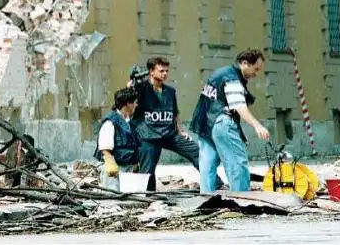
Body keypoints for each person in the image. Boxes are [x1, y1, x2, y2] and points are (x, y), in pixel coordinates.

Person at [128, 57, 221, 192]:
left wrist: (180, 130)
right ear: (151, 72)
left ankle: (216, 184)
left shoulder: (170, 91)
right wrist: (130, 88)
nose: (165, 74)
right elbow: (128, 104)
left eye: (166, 71)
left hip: (169, 133)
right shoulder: (140, 89)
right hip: (148, 135)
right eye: (161, 71)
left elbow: (175, 112)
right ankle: (148, 196)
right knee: (148, 169)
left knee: (196, 152)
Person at [189, 48, 271, 193]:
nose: (256, 74)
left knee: (207, 164)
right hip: (222, 123)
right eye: (256, 69)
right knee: (237, 162)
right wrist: (257, 126)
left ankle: (206, 199)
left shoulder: (220, 73)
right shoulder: (232, 78)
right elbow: (238, 105)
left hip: (205, 123)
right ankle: (242, 199)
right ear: (245, 63)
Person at [94, 87, 139, 191]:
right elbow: (104, 146)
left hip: (127, 167)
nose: (136, 105)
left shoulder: (129, 121)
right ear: (128, 103)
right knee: (112, 194)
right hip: (113, 168)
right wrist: (110, 163)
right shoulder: (110, 122)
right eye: (134, 102)